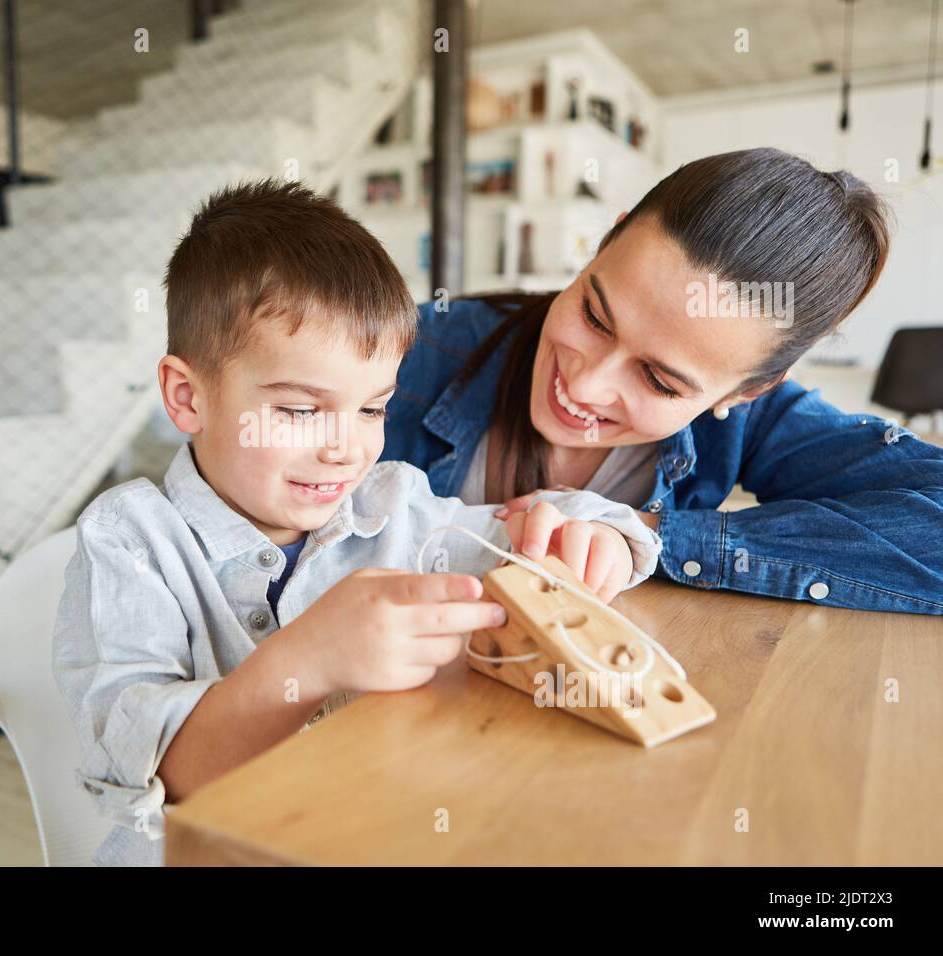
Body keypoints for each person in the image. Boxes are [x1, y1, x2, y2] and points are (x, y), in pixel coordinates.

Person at [52, 179, 663, 865]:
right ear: (187, 396)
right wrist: (310, 658)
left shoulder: (391, 504)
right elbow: (164, 776)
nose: (346, 448)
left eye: (372, 409)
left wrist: (600, 534)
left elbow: (529, 533)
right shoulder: (128, 543)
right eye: (301, 410)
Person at [383, 147, 943, 615]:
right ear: (609, 239)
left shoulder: (751, 421)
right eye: (594, 316)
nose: (586, 386)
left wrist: (647, 534)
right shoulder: (409, 348)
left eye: (659, 380)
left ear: (748, 391)